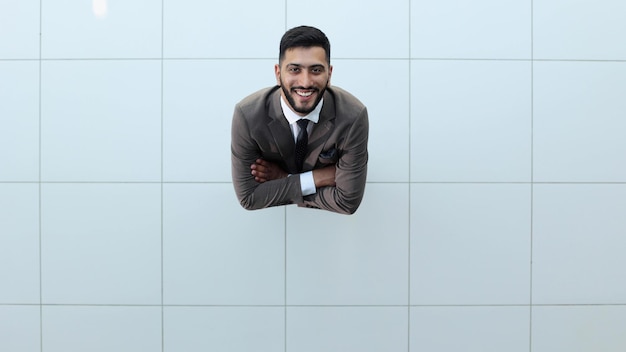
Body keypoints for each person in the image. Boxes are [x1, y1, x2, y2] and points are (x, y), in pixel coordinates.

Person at [231, 25, 369, 215]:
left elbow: (347, 201)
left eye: (316, 70)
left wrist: (284, 178)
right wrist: (318, 178)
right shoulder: (247, 115)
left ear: (329, 74)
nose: (305, 82)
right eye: (295, 69)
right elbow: (250, 197)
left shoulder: (353, 116)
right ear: (278, 73)